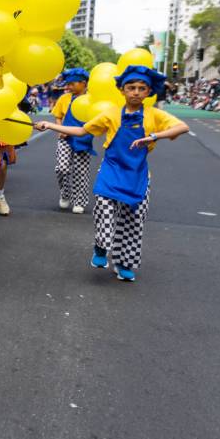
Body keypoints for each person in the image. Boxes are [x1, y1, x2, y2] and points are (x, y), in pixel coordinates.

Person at [34, 66, 189, 282]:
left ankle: (124, 263)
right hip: (111, 170)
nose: (136, 92)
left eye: (141, 88)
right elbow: (81, 130)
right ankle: (101, 246)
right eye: (131, 87)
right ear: (122, 90)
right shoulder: (111, 114)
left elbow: (182, 127)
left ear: (148, 92)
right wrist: (50, 125)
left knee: (134, 221)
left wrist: (154, 136)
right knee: (104, 212)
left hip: (138, 176)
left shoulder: (154, 115)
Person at [50, 68, 96, 214]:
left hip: (83, 139)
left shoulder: (92, 100)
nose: (67, 87)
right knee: (61, 168)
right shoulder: (64, 99)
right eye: (67, 84)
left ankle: (79, 201)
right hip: (65, 138)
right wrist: (60, 129)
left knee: (81, 172)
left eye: (71, 84)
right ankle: (65, 193)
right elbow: (58, 115)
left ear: (83, 83)